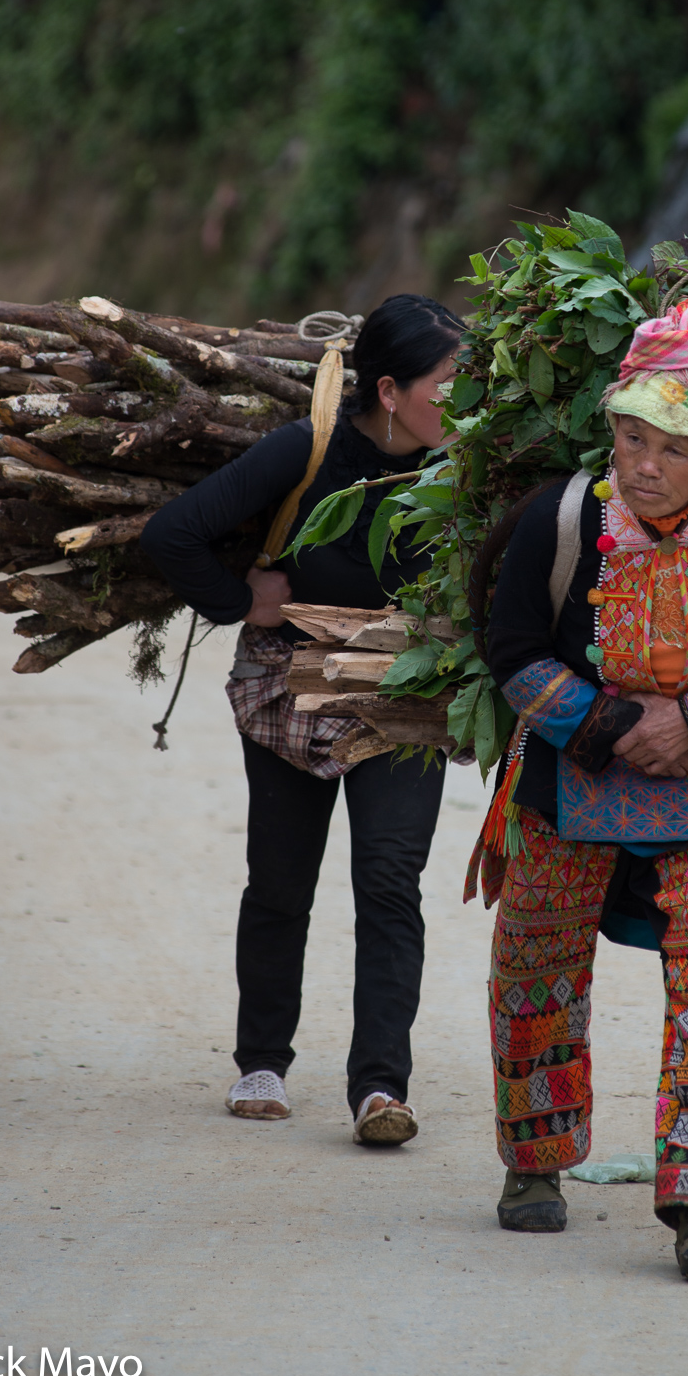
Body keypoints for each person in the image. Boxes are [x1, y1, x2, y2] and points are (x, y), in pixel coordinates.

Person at [468, 251, 688, 1281]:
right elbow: (513, 650)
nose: (645, 463)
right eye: (632, 436)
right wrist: (614, 722)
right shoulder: (561, 519)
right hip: (568, 780)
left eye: (672, 447)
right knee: (533, 966)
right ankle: (534, 1165)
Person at [141, 294, 462, 1145]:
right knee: (281, 880)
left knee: (390, 881)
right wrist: (246, 602)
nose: (460, 403)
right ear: (389, 390)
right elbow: (171, 535)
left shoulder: (464, 466)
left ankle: (380, 1088)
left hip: (405, 693)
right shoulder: (307, 450)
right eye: (446, 384)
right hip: (295, 691)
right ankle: (262, 1062)